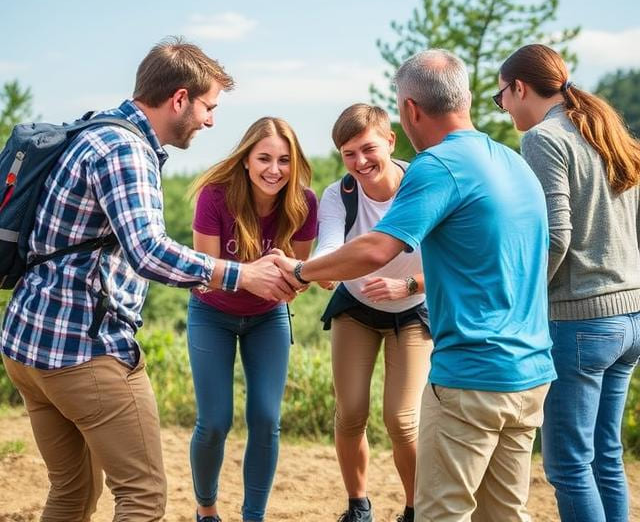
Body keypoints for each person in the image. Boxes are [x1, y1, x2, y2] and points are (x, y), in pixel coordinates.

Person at [1, 37, 295, 522]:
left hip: (28, 346)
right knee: (142, 497)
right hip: (82, 350)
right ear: (179, 98)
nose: (210, 121)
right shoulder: (126, 150)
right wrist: (242, 275)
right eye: (207, 107)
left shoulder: (93, 130)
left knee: (71, 495)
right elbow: (149, 252)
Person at [275, 48, 557, 522]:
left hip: (472, 375)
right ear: (464, 97)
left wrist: (300, 272)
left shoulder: (436, 167)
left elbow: (375, 250)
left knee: (440, 512)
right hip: (530, 375)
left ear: (408, 111)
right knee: (505, 514)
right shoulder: (513, 162)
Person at [497, 43, 640, 522]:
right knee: (605, 456)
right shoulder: (606, 132)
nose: (504, 108)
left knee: (569, 466)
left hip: (581, 322)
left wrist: (521, 303)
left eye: (501, 98)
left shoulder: (544, 137)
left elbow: (556, 236)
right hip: (630, 318)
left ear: (519, 88)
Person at [187, 117, 318, 522]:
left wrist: (293, 277)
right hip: (212, 315)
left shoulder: (304, 203)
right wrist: (257, 276)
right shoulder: (214, 197)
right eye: (263, 158)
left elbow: (300, 278)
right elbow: (205, 276)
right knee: (214, 422)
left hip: (267, 319)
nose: (274, 169)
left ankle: (253, 516)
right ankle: (207, 511)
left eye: (283, 160)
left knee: (266, 418)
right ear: (246, 159)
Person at [314, 103, 431, 522]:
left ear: (390, 141)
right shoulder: (339, 195)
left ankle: (417, 509)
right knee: (351, 412)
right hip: (356, 311)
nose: (360, 162)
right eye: (349, 153)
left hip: (414, 311)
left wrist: (409, 284)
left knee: (401, 419)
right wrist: (323, 270)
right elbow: (328, 246)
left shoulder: (424, 184)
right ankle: (357, 506)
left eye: (367, 149)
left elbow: (454, 260)